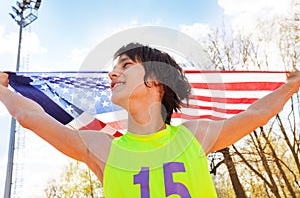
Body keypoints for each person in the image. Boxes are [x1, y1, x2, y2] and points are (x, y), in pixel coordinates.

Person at [0, 43, 299, 198]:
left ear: (157, 79)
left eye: (126, 65)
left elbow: (256, 114)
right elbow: (29, 116)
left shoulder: (193, 136)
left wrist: (291, 86)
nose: (112, 74)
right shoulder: (101, 148)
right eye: (114, 68)